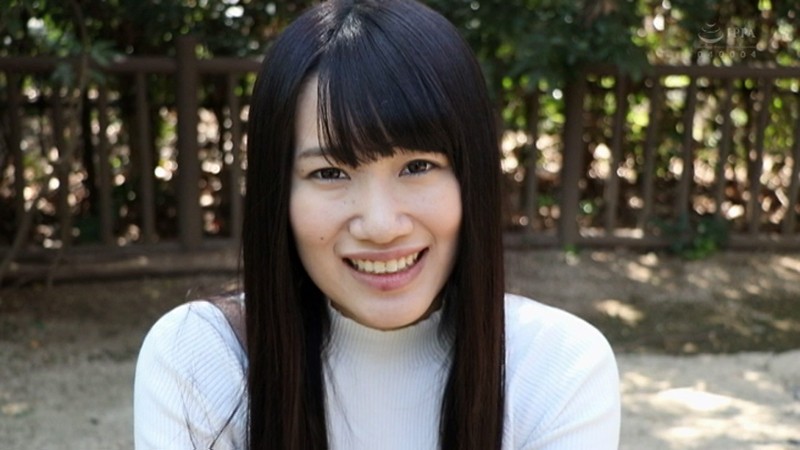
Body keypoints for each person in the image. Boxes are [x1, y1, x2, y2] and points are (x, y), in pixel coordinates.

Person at [133, 0, 621, 449]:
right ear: (278, 194)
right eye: (329, 173)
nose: (381, 226)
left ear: (471, 177)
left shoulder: (555, 367)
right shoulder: (202, 360)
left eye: (417, 166)